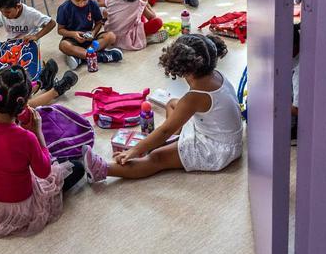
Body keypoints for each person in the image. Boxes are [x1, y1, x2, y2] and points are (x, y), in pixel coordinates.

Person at [0, 65, 106, 237]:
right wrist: (37, 132)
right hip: (23, 205)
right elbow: (44, 172)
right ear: (23, 106)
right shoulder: (26, 138)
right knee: (77, 168)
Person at [80, 34, 244, 183]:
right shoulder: (215, 75)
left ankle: (102, 169)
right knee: (172, 103)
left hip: (217, 149)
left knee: (157, 158)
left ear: (185, 69)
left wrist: (135, 150)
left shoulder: (194, 97)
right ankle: (173, 141)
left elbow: (165, 130)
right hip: (223, 136)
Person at [56, 0, 120, 70]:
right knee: (63, 46)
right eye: (77, 0)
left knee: (111, 36)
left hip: (90, 40)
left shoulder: (92, 4)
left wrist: (93, 33)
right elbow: (60, 30)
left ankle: (81, 58)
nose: (81, 3)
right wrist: (74, 34)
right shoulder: (64, 8)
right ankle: (100, 57)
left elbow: (99, 23)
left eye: (85, 0)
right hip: (73, 41)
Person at [104, 0, 168, 51]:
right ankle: (146, 38)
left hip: (111, 35)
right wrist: (145, 2)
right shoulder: (138, 3)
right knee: (158, 22)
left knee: (136, 16)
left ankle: (144, 37)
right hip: (128, 38)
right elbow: (152, 17)